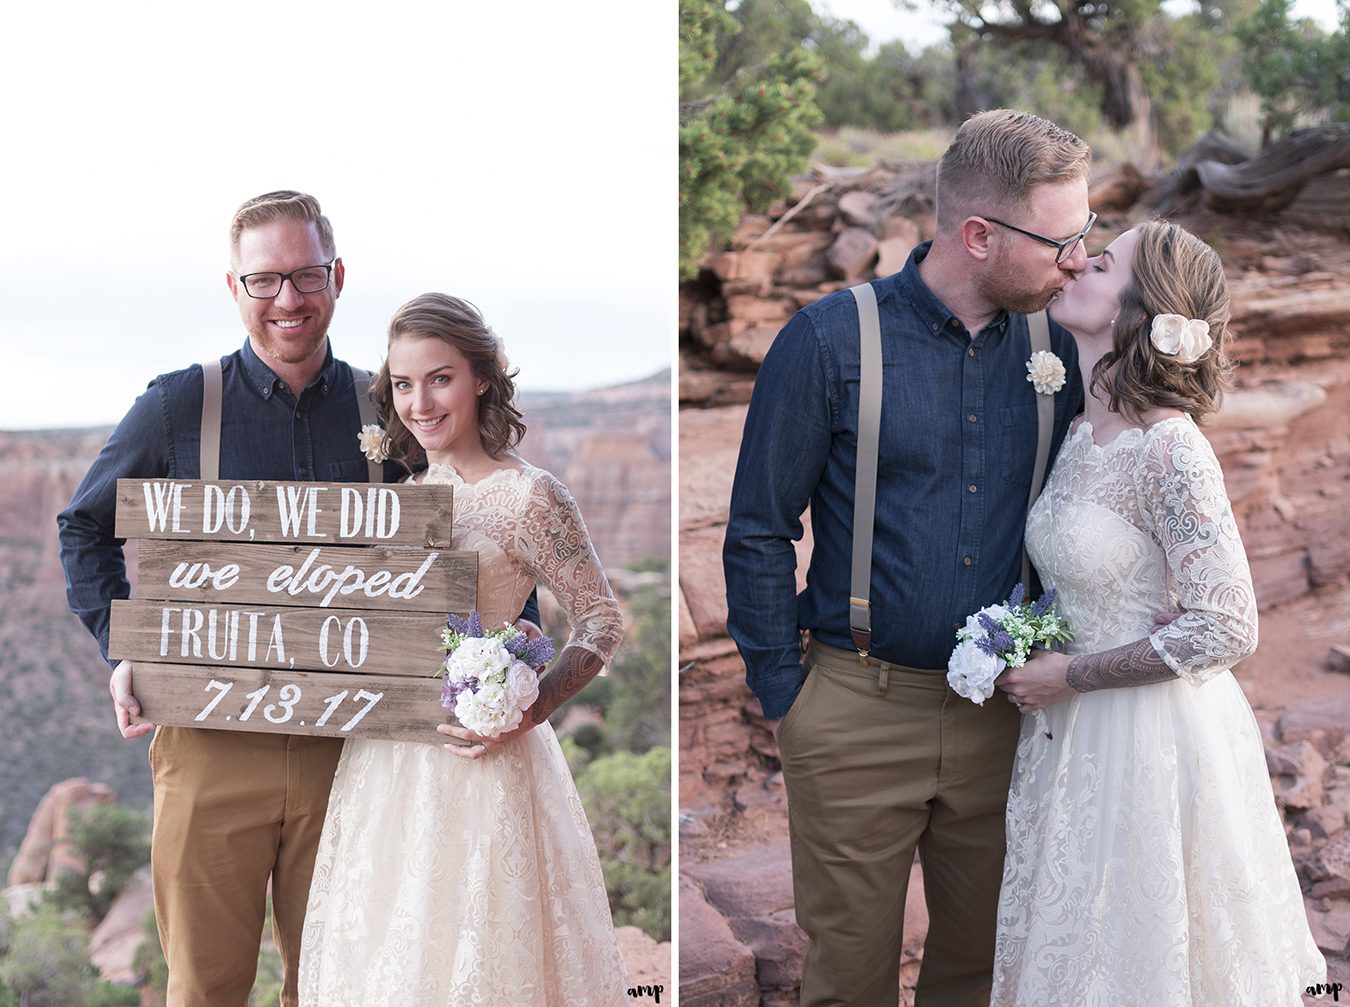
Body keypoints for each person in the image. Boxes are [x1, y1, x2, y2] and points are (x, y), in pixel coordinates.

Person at [55, 191, 539, 1007]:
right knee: (205, 987)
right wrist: (124, 642)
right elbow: (83, 525)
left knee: (338, 984)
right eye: (266, 279)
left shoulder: (383, 407)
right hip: (211, 742)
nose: (288, 299)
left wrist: (501, 664)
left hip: (352, 749)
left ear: (337, 278)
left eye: (306, 274)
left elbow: (462, 527)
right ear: (235, 288)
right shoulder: (180, 404)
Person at [723, 109, 1093, 1006]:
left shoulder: (1064, 350)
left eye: (1088, 234)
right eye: (1062, 239)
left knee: (978, 970)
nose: (1079, 258)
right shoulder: (827, 341)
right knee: (847, 977)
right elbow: (759, 530)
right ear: (978, 235)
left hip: (1007, 717)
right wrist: (790, 697)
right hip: (854, 710)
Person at [991, 220, 1326, 1003]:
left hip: (1146, 740)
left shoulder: (1169, 446)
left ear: (1136, 311)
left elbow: (1228, 623)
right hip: (1067, 740)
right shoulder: (1080, 429)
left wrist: (1068, 673)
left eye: (1100, 263)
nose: (1075, 262)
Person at [298, 293, 629, 1005]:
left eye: (439, 377)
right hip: (387, 766)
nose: (420, 402)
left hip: (487, 766)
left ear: (482, 375)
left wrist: (528, 706)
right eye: (405, 384)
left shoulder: (528, 496)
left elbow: (602, 619)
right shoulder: (405, 494)